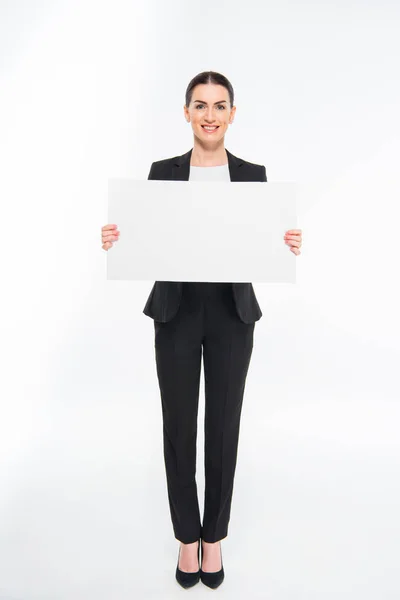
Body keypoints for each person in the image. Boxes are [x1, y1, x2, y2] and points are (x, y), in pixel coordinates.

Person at [101, 70, 302, 589]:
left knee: (223, 426)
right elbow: (142, 237)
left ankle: (213, 538)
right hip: (177, 309)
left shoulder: (253, 175)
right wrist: (116, 237)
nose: (210, 114)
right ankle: (185, 538)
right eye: (200, 104)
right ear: (186, 113)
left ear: (232, 114)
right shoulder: (162, 171)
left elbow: (262, 239)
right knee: (179, 427)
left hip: (233, 313)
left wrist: (286, 243)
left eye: (219, 105)